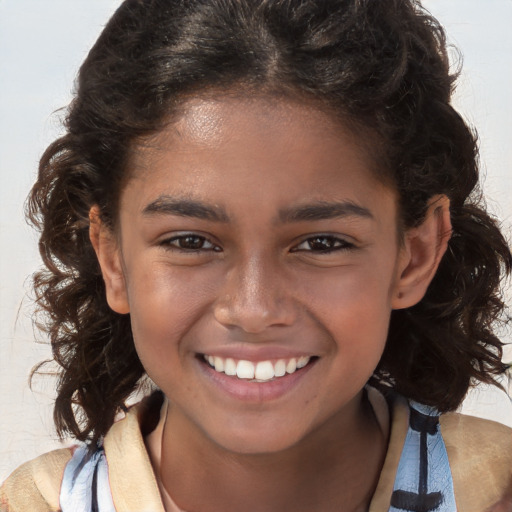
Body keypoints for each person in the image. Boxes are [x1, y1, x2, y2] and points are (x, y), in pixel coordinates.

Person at [1, 0, 512, 510]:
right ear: (112, 258)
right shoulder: (37, 503)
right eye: (190, 242)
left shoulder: (494, 486)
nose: (254, 310)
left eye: (322, 243)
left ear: (415, 255)